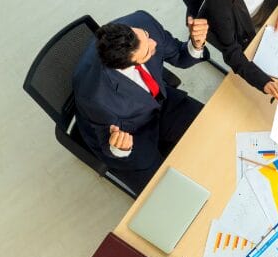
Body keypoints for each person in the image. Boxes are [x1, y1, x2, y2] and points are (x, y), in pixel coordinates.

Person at [73, 10, 210, 195]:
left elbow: (179, 55)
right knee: (167, 193)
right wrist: (121, 147)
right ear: (127, 65)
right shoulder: (96, 97)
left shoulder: (143, 23)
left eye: (145, 36)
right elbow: (106, 143)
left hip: (160, 103)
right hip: (132, 134)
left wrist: (195, 44)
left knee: (213, 129)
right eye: (148, 52)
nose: (153, 43)